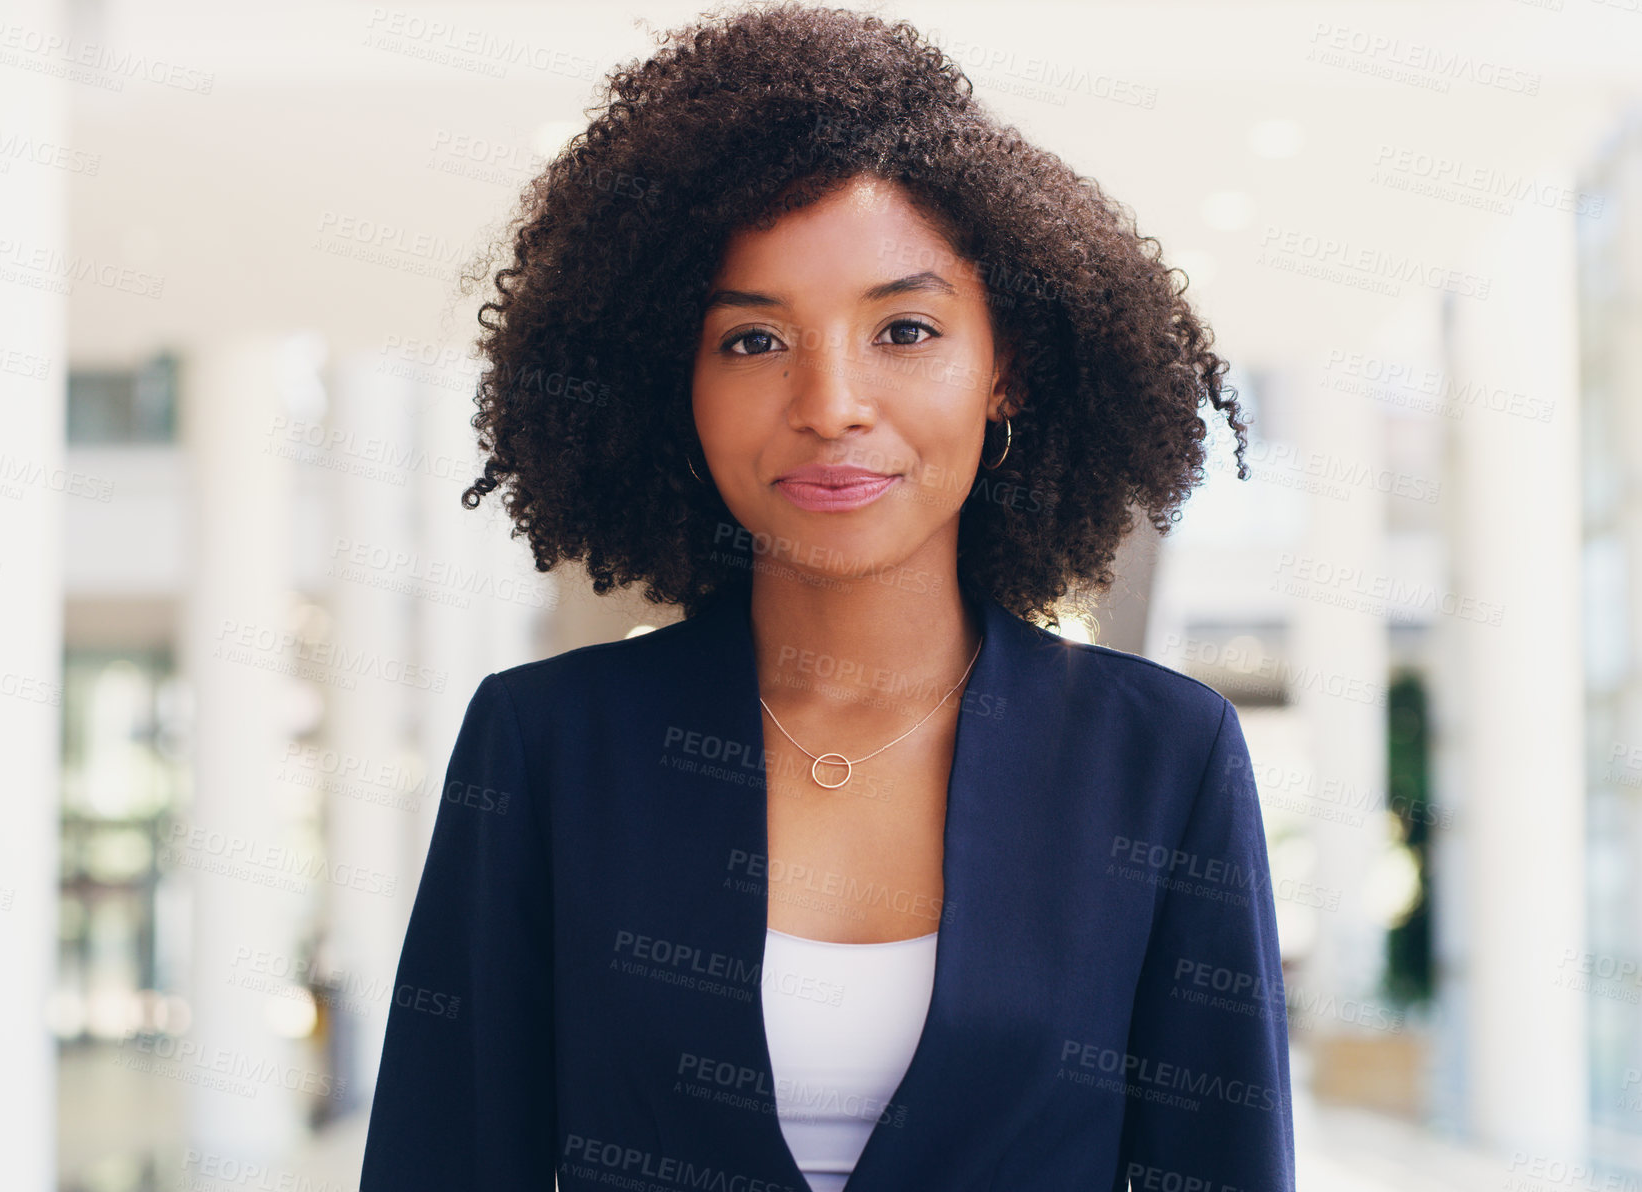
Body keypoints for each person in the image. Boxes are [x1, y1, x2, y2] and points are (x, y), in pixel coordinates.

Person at [360, 4, 1294, 1190]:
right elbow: (442, 1160)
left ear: (1004, 368)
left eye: (905, 329)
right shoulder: (546, 747)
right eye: (753, 341)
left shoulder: (1161, 757)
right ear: (671, 382)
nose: (832, 402)